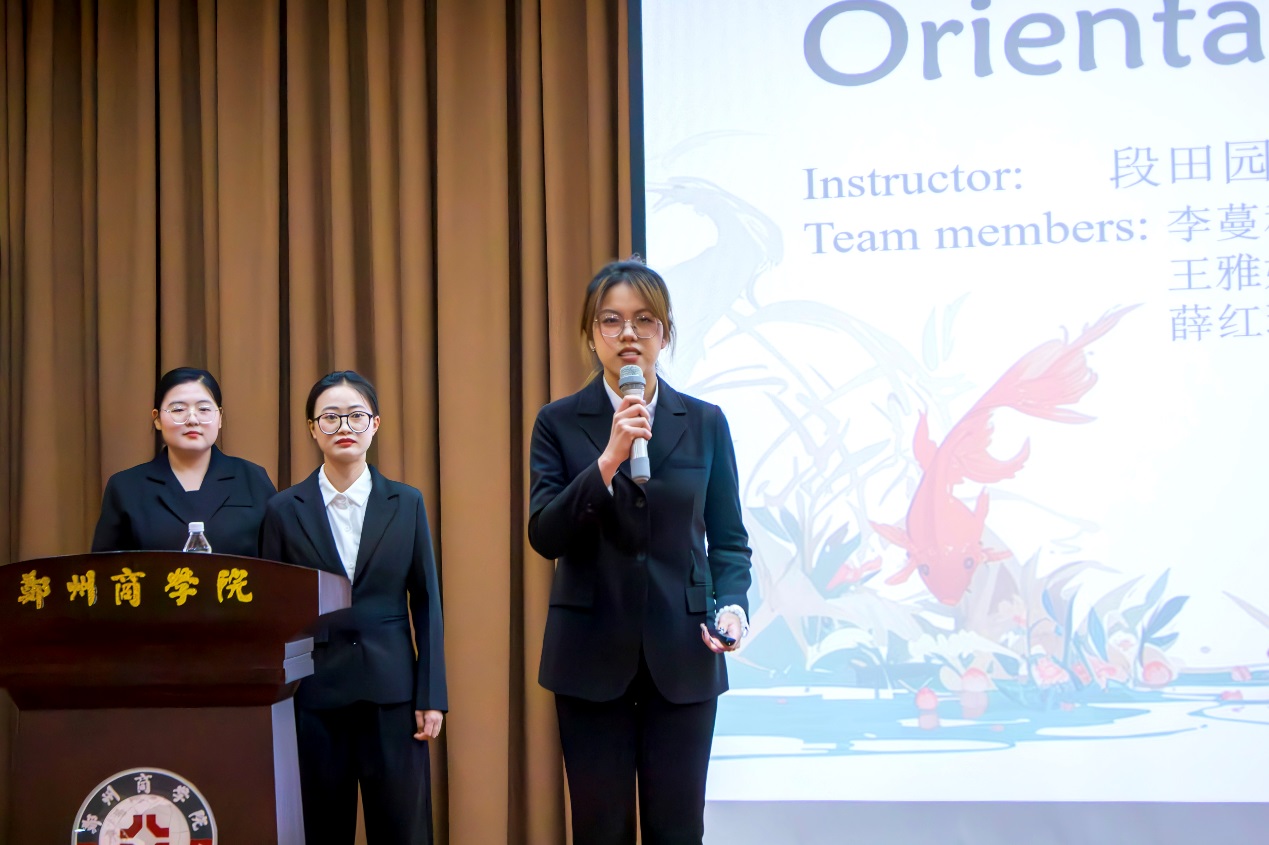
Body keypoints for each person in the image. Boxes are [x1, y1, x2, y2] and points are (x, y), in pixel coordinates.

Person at [528, 259, 752, 844]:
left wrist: (732, 607)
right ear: (591, 333)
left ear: (665, 332)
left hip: (683, 655)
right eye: (612, 320)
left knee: (677, 830)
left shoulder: (704, 422)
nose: (628, 333)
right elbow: (546, 535)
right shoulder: (558, 422)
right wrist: (607, 460)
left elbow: (729, 540)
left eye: (644, 319)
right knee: (599, 830)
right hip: (589, 656)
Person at [259, 370, 446, 845]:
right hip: (314, 696)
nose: (344, 426)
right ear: (312, 428)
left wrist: (431, 694)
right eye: (330, 417)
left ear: (375, 424)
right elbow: (272, 612)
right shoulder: (283, 509)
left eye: (356, 416)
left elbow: (426, 601)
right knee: (320, 830)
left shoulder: (406, 502)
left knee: (403, 831)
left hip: (393, 694)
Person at [92, 367, 276, 556]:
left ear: (219, 417)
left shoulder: (252, 479)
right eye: (178, 409)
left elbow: (277, 560)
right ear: (157, 419)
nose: (192, 419)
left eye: (204, 409)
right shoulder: (126, 487)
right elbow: (105, 568)